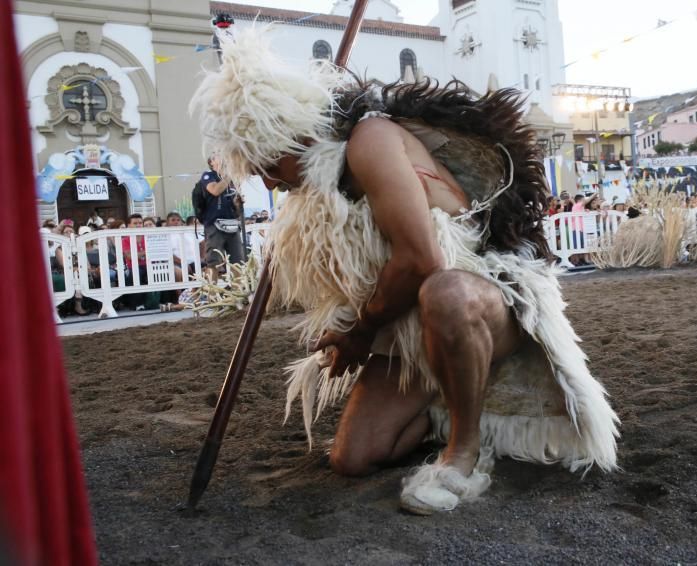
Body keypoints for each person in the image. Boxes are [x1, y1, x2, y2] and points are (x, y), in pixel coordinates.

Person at [190, 26, 618, 515]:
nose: (268, 179)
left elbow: (421, 259)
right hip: (412, 331)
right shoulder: (319, 190)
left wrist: (360, 332)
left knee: (446, 291)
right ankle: (448, 402)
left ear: (292, 133)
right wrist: (350, 325)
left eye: (268, 162)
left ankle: (464, 450)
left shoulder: (370, 140)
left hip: (483, 300)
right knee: (353, 458)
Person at [197, 155, 244, 281]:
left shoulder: (232, 180)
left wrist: (238, 203)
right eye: (217, 155)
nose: (223, 157)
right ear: (211, 162)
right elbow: (215, 190)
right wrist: (229, 176)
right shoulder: (208, 175)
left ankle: (238, 292)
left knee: (238, 261)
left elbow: (237, 210)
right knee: (213, 262)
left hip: (232, 224)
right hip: (214, 224)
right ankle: (212, 294)